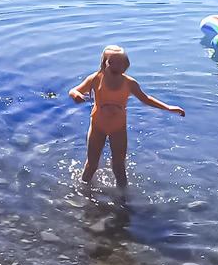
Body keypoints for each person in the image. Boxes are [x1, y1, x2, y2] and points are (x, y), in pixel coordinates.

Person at [68, 44, 184, 188]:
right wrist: (76, 95)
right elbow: (74, 90)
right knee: (92, 164)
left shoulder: (129, 83)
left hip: (118, 129)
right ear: (104, 64)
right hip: (98, 127)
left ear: (126, 65)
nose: (117, 66)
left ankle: (123, 196)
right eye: (112, 62)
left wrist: (168, 107)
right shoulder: (96, 79)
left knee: (119, 166)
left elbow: (146, 99)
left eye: (121, 63)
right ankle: (83, 190)